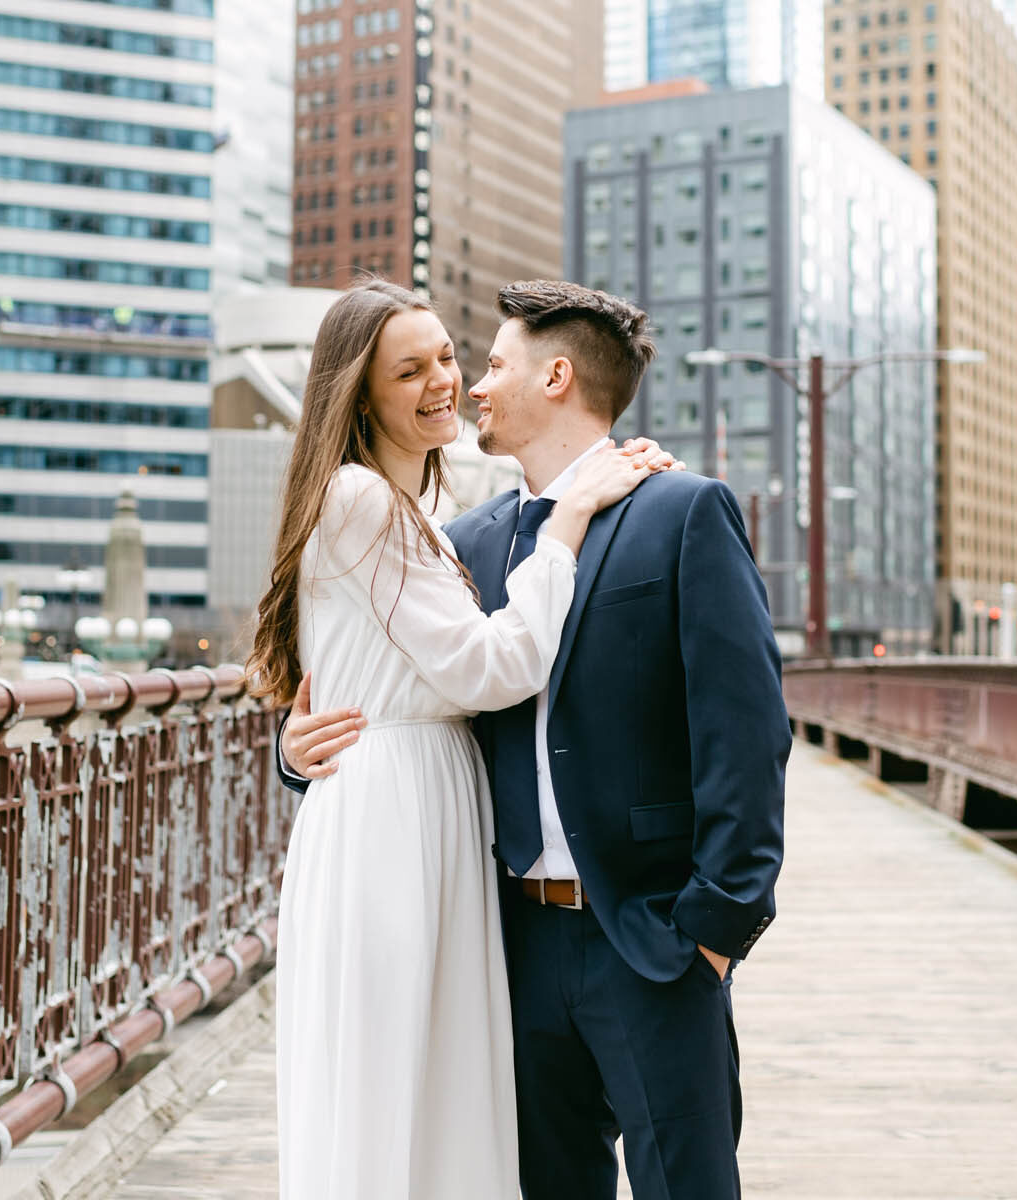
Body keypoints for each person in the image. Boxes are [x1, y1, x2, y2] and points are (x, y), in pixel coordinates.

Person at [283, 279, 793, 1200]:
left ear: (555, 375)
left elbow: (747, 732)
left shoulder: (679, 511)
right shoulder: (462, 541)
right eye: (433, 365)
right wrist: (296, 753)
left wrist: (717, 929)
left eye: (482, 364)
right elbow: (387, 682)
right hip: (505, 936)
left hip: (651, 937)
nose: (466, 384)